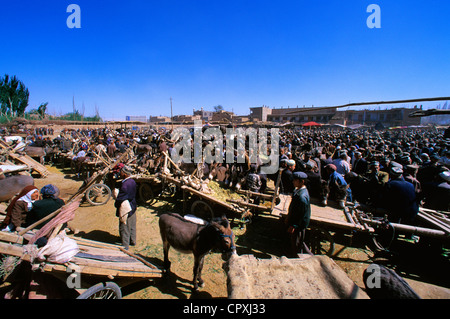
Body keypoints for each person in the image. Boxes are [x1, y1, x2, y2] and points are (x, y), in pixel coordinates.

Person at [285, 171, 311, 257]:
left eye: (295, 180)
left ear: (302, 181)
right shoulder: (299, 191)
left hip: (299, 225)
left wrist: (294, 226)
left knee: (297, 243)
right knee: (297, 241)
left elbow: (300, 214)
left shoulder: (302, 197)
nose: (293, 182)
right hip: (296, 222)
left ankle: (297, 258)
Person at [114, 165, 137, 250]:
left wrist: (116, 202)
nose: (120, 173)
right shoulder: (132, 182)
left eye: (121, 172)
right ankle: (133, 240)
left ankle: (125, 246)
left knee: (124, 227)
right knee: (132, 225)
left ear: (124, 174)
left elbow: (121, 198)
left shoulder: (125, 185)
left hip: (126, 208)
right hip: (133, 206)